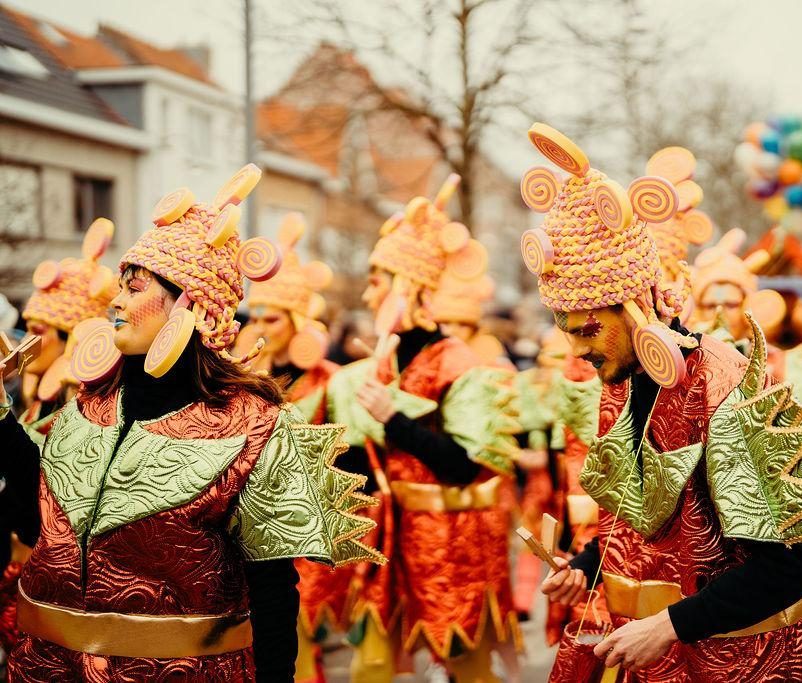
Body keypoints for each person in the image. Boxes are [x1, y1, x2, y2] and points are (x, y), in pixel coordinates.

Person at [0, 164, 380, 681]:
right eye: (120, 286)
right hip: (46, 668)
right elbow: (39, 529)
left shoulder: (254, 426)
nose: (115, 300)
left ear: (188, 304)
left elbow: (272, 594)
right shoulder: (84, 409)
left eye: (134, 288)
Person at [519, 123, 802, 681]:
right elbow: (636, 530)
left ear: (633, 309)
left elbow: (790, 566)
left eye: (585, 330)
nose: (575, 351)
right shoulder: (620, 381)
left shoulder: (724, 386)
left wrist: (671, 624)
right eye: (566, 331)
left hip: (740, 664)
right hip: (649, 657)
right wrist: (586, 567)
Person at [331, 175, 521, 682]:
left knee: (465, 662)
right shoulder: (377, 362)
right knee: (371, 663)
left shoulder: (458, 360)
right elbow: (365, 465)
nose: (369, 296)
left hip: (453, 542)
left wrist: (392, 417)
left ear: (405, 287)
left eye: (377, 281)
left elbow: (465, 465)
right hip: (387, 539)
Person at [0, 218, 119, 666]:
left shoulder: (89, 413)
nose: (26, 341)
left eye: (41, 328)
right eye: (25, 325)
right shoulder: (31, 402)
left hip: (59, 584)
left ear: (74, 339)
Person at [239, 212, 351, 681]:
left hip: (310, 526)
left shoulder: (331, 381)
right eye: (257, 315)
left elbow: (347, 458)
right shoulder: (245, 378)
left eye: (274, 316)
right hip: (253, 526)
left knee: (300, 637)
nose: (264, 324)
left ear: (296, 320)